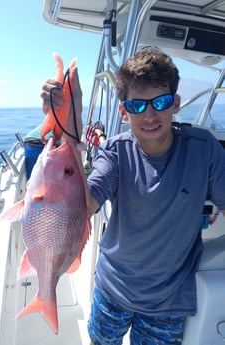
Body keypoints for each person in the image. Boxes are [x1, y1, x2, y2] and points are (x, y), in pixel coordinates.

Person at [41, 48, 225, 345]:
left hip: (169, 300)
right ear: (123, 111)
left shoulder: (203, 149)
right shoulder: (114, 151)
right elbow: (83, 206)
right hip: (112, 288)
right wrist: (68, 115)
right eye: (137, 106)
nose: (150, 115)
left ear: (175, 104)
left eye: (160, 102)